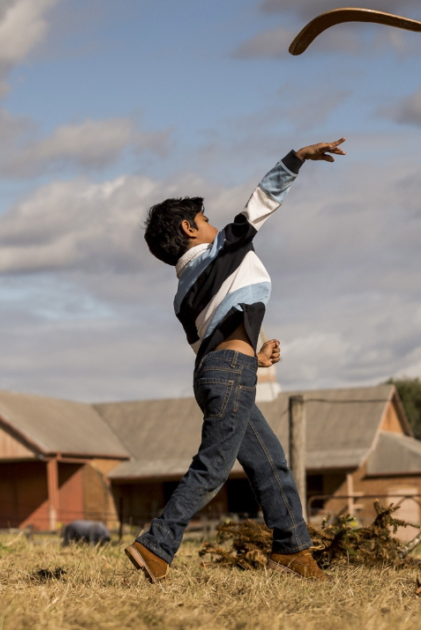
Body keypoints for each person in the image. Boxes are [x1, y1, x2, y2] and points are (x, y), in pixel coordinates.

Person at [126, 139, 347, 584]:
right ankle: (156, 545)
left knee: (270, 461)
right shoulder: (223, 248)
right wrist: (296, 159)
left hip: (216, 373)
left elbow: (209, 341)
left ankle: (292, 550)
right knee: (213, 468)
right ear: (190, 228)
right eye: (205, 220)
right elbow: (262, 201)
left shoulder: (183, 291)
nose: (213, 224)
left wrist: (256, 358)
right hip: (229, 375)